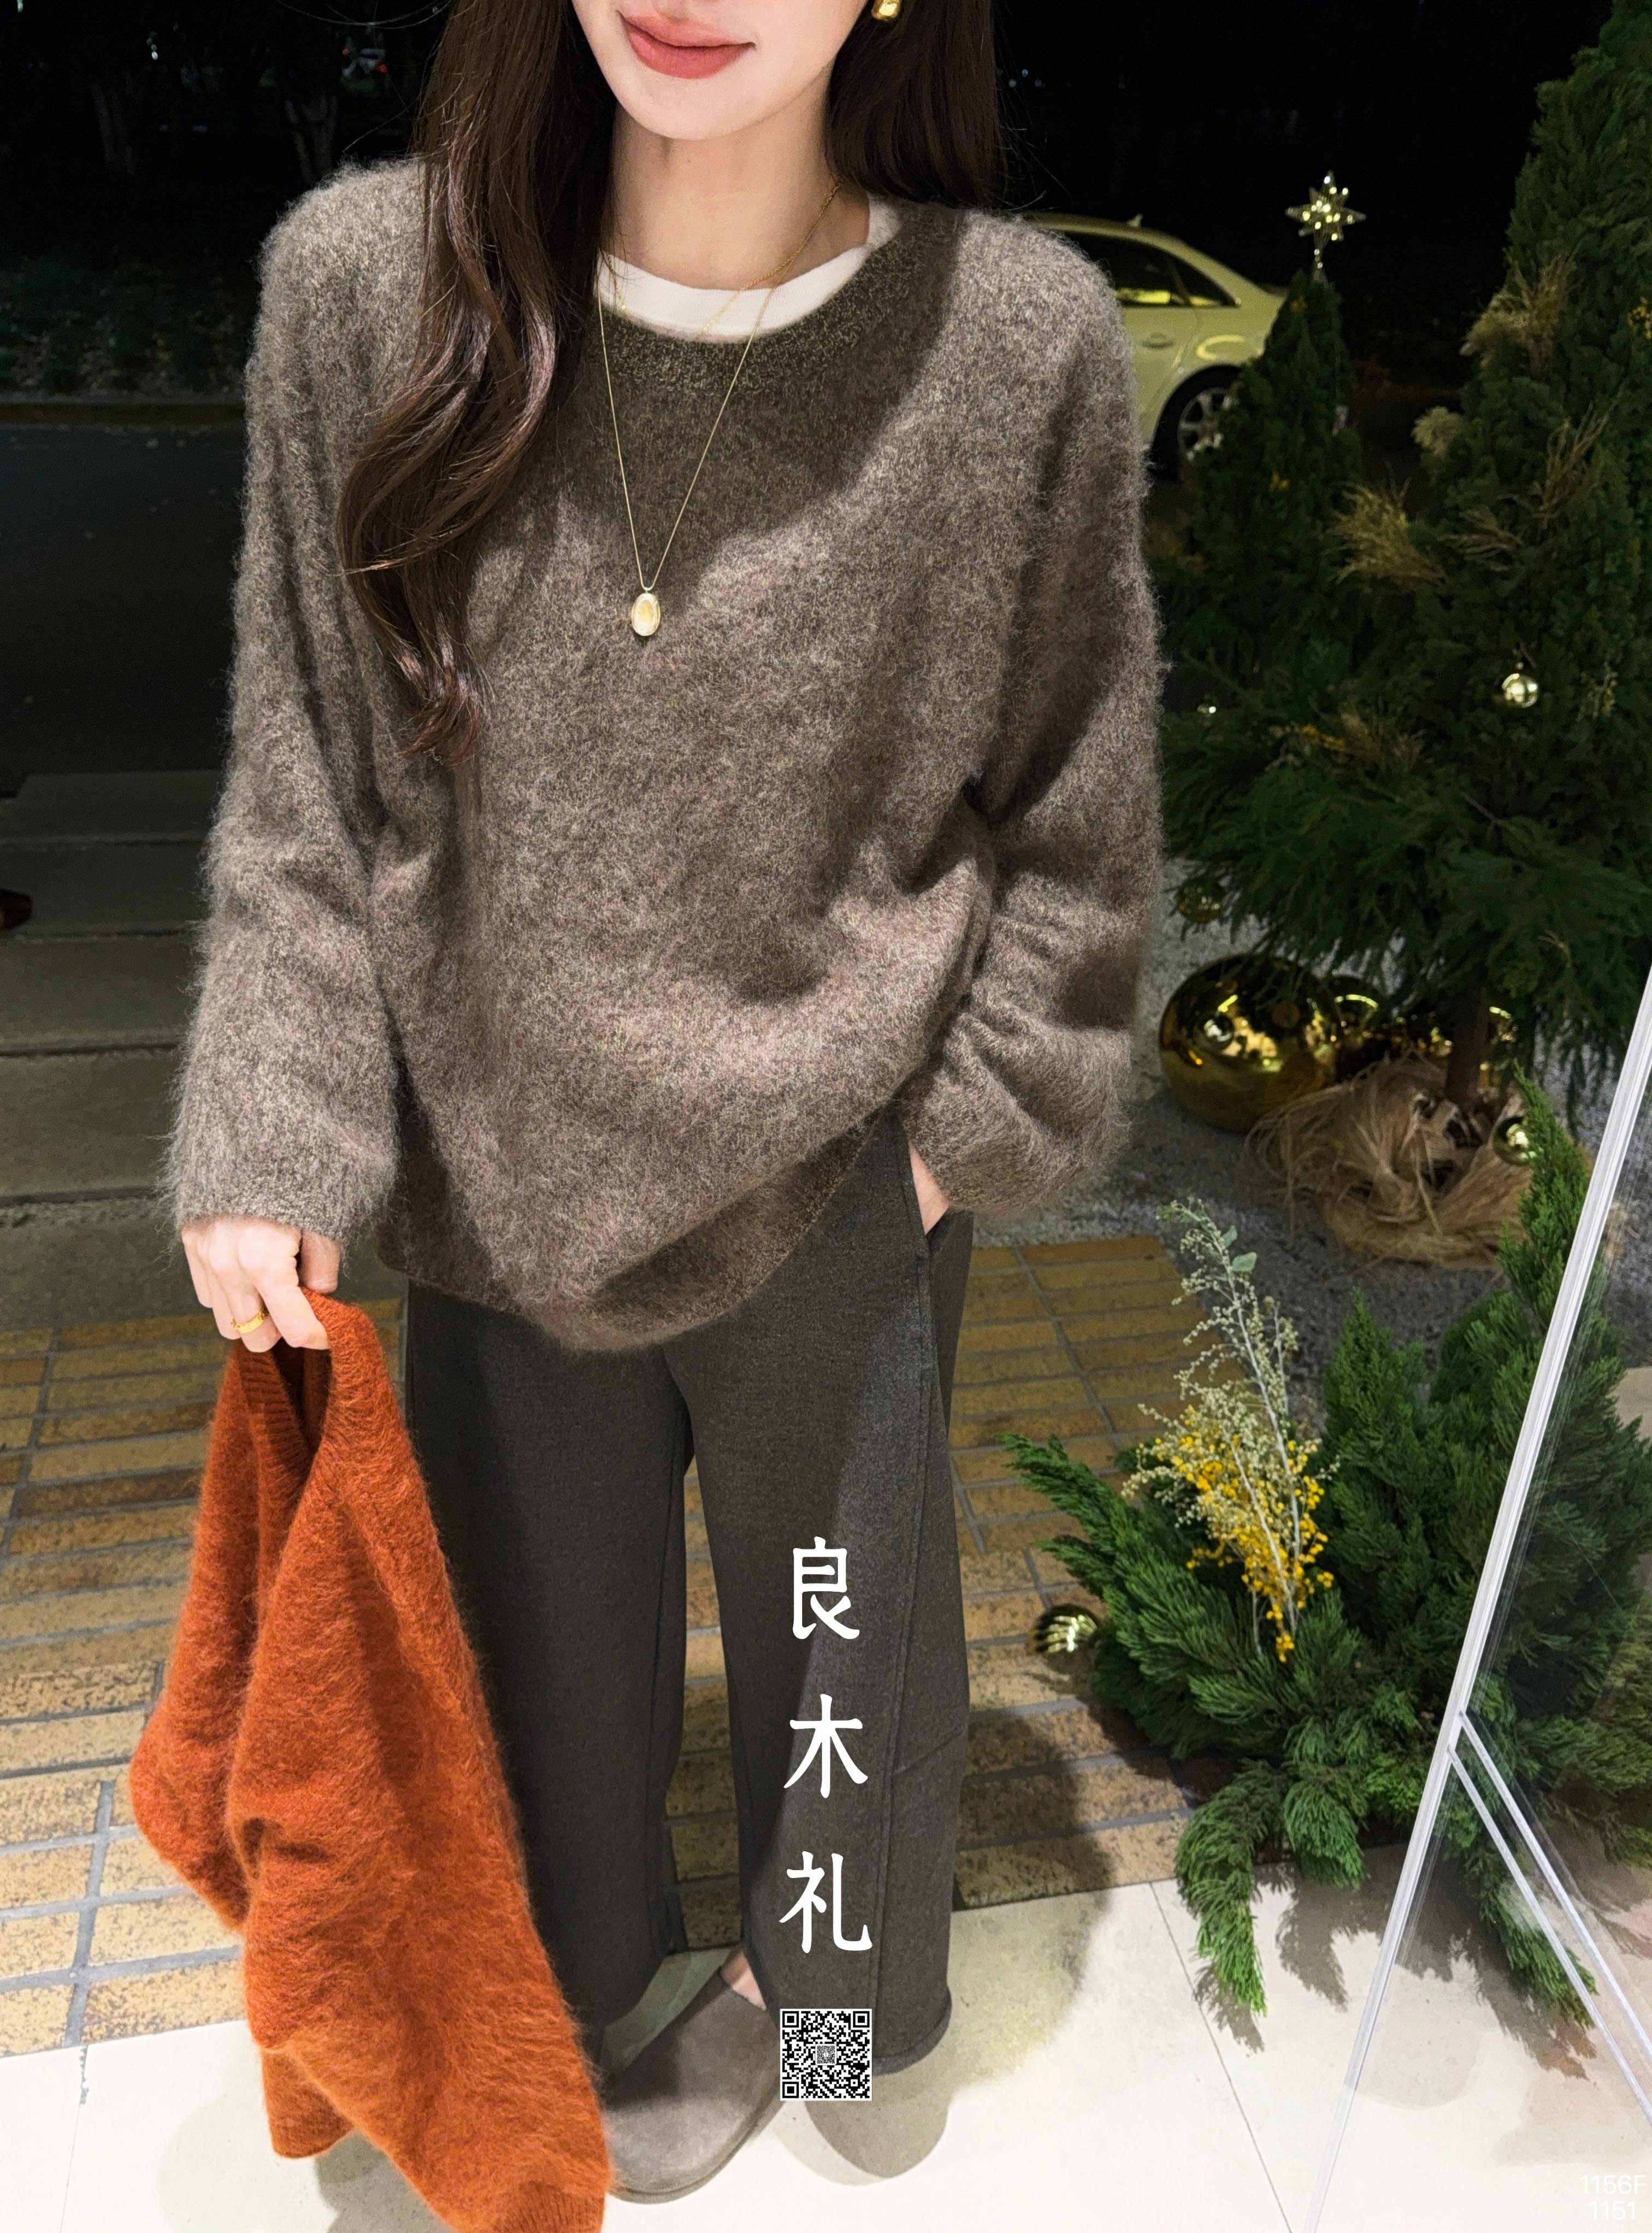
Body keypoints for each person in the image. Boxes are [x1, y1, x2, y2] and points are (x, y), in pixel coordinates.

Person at [168, 0, 1161, 2202]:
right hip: (504, 1165)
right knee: (533, 1666)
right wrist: (274, 1113)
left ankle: (831, 2000)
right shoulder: (372, 297)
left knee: (850, 1655)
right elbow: (310, 782)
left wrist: (956, 1139)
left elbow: (1076, 820)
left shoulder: (1013, 345)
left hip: (844, 1170)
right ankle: (576, 1985)